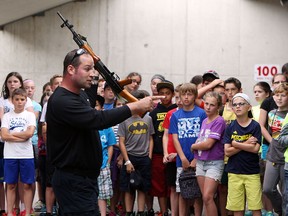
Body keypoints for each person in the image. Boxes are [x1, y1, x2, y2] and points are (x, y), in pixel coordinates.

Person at [46, 48, 158, 215]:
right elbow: (98, 119)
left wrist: (98, 67)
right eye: (87, 69)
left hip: (84, 179)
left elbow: (89, 99)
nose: (92, 74)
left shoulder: (79, 95)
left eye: (93, 69)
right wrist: (135, 106)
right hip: (73, 180)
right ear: (70, 69)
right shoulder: (62, 100)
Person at [169, 83, 206, 216]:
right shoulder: (175, 115)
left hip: (199, 159)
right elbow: (175, 138)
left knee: (197, 193)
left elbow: (204, 137)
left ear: (195, 96)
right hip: (182, 160)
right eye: (183, 94)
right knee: (182, 192)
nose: (186, 97)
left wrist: (196, 158)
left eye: (189, 94)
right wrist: (183, 158)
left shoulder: (202, 114)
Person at [0, 72, 34, 215]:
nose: (20, 102)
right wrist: (21, 135)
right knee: (11, 184)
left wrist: (12, 134)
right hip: (10, 155)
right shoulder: (7, 116)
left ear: (26, 101)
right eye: (17, 99)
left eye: (22, 99)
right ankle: (9, 212)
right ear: (12, 101)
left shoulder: (30, 115)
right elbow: (3, 135)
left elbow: (29, 134)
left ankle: (26, 212)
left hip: (26, 155)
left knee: (27, 184)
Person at [223, 93, 262, 216]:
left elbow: (255, 149)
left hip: (252, 173)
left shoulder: (255, 126)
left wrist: (236, 144)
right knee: (237, 208)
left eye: (241, 104)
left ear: (249, 107)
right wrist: (245, 143)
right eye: (235, 104)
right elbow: (227, 151)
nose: (238, 106)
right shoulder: (230, 127)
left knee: (256, 207)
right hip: (234, 172)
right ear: (232, 108)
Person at [118, 90, 155, 216]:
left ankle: (140, 211)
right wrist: (127, 160)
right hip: (130, 157)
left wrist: (149, 156)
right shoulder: (124, 120)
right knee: (128, 188)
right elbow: (121, 141)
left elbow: (151, 138)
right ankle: (129, 212)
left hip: (144, 157)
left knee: (142, 187)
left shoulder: (148, 119)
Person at [191, 91, 226, 216]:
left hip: (214, 162)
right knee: (205, 198)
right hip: (201, 161)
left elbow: (208, 144)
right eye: (206, 103)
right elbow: (202, 139)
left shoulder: (219, 121)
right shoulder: (205, 120)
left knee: (208, 197)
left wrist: (193, 146)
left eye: (212, 105)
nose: (208, 107)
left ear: (218, 107)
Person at [147, 80, 177, 216]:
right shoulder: (153, 113)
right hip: (158, 154)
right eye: (162, 94)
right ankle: (164, 211)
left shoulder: (177, 110)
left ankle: (176, 211)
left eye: (168, 93)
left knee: (173, 185)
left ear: (173, 94)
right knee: (159, 185)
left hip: (175, 153)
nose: (165, 96)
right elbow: (151, 137)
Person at [262, 83, 288, 216]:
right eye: (276, 95)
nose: (279, 98)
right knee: (267, 188)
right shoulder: (271, 113)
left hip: (285, 156)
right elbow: (270, 132)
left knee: (285, 191)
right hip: (272, 154)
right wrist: (272, 142)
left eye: (283, 95)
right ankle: (279, 209)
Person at [94, 95, 117, 216]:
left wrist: (107, 163)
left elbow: (110, 145)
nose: (94, 107)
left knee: (102, 193)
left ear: (102, 107)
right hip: (88, 166)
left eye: (96, 105)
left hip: (103, 165)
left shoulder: (106, 126)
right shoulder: (85, 126)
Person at [162, 84, 182, 216]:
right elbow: (165, 135)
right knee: (173, 188)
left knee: (184, 188)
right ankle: (174, 213)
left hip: (184, 157)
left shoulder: (195, 112)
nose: (180, 100)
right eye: (177, 97)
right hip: (171, 157)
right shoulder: (170, 114)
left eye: (182, 97)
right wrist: (165, 154)